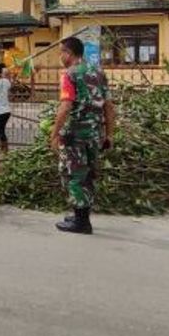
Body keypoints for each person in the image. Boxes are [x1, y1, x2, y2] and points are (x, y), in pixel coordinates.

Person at [50, 37, 114, 235]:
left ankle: (81, 223)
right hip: (95, 134)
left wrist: (54, 133)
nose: (60, 56)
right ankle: (81, 214)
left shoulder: (69, 75)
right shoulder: (99, 73)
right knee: (88, 174)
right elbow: (109, 107)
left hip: (75, 135)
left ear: (68, 53)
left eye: (61, 52)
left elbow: (66, 105)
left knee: (72, 174)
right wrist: (109, 134)